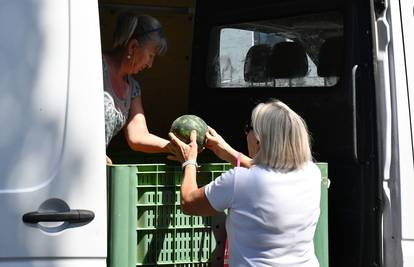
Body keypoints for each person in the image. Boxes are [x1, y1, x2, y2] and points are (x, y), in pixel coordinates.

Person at [169, 99, 321, 267]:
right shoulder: (311, 173)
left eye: (248, 128)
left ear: (259, 140)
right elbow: (269, 171)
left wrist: (189, 161)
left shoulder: (239, 181)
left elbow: (189, 203)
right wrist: (227, 152)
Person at [103, 12, 171, 164]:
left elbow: (138, 136)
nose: (150, 64)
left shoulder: (133, 88)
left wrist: (173, 147)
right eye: (151, 55)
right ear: (133, 46)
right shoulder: (96, 68)